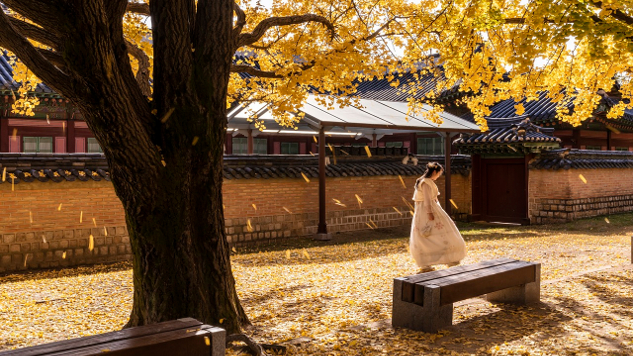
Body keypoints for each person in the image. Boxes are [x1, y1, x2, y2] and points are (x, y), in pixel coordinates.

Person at [410, 162, 466, 273]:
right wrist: (430, 213)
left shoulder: (428, 182)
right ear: (434, 172)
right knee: (429, 235)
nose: (438, 176)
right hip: (427, 210)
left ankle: (448, 259)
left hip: (430, 209)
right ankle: (432, 262)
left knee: (434, 234)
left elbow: (434, 199)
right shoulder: (425, 182)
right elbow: (426, 199)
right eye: (439, 173)